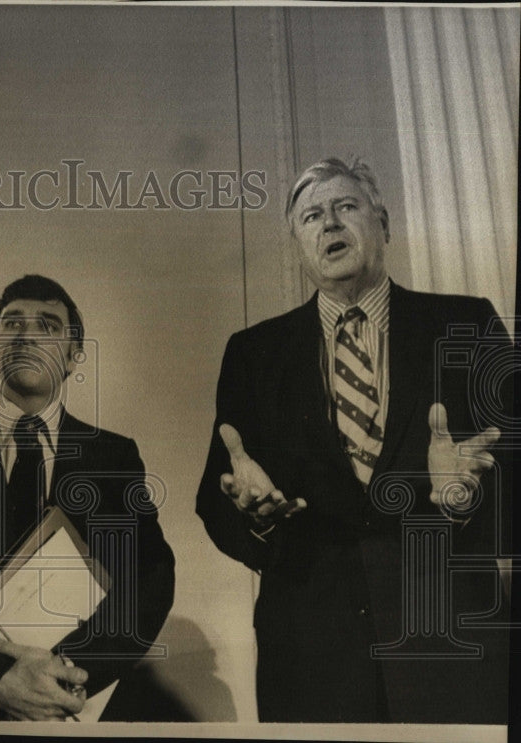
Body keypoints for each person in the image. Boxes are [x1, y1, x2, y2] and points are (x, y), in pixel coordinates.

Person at [195, 157, 511, 723]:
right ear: (299, 244)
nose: (330, 225)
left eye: (346, 207)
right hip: (312, 664)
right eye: (312, 216)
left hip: (454, 653)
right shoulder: (254, 352)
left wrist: (468, 500)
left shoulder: (467, 325)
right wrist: (257, 516)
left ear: (382, 223)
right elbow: (215, 505)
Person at [0, 275, 176, 721]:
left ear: (74, 354)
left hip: (72, 704)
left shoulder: (115, 456)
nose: (27, 335)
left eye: (48, 325)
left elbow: (151, 578)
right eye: (12, 322)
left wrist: (65, 676)